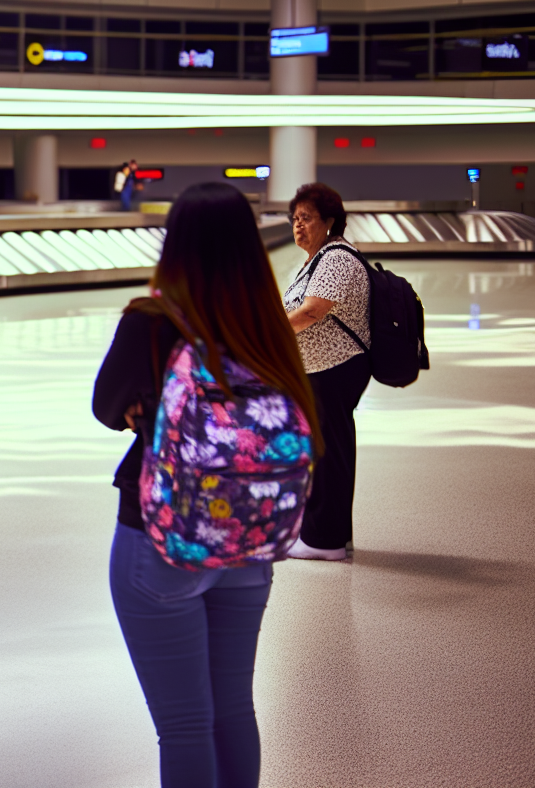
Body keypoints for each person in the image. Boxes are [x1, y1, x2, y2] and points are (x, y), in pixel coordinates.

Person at [92, 182, 319, 788]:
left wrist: (147, 411)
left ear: (177, 247)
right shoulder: (266, 325)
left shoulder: (153, 321)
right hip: (251, 537)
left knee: (185, 726)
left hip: (164, 537)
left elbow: (105, 405)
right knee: (233, 709)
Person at [282, 182, 371, 562]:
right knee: (328, 448)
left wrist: (269, 335)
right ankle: (332, 534)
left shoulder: (336, 258)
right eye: (295, 219)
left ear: (330, 222)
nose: (298, 226)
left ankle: (325, 541)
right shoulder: (319, 258)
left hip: (334, 370)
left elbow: (312, 311)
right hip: (324, 370)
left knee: (327, 451)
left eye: (307, 218)